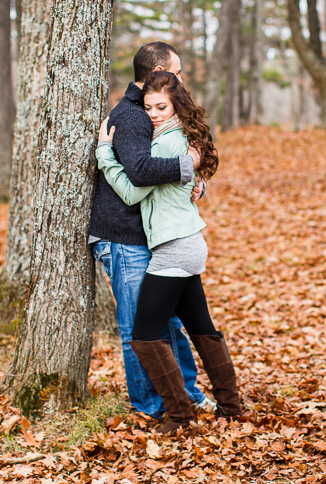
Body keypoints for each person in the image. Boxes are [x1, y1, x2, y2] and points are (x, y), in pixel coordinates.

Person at [96, 70, 244, 433]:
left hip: (174, 249)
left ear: (177, 105)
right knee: (201, 327)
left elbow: (132, 192)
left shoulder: (165, 145)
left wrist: (104, 154)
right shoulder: (179, 138)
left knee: (145, 335)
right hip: (188, 243)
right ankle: (231, 407)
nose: (154, 114)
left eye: (161, 106)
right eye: (148, 108)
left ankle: (179, 416)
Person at [89, 42, 213, 420]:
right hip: (122, 237)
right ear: (159, 71)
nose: (181, 78)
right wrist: (184, 166)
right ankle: (151, 405)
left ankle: (185, 393)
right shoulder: (132, 116)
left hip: (149, 237)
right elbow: (141, 172)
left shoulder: (153, 113)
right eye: (177, 70)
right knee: (136, 331)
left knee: (168, 322)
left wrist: (195, 180)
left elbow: (160, 172)